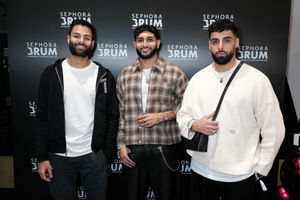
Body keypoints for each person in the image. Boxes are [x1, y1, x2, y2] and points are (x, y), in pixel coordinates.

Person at [177, 19, 285, 200]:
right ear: (209, 44)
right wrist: (194, 124)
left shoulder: (257, 80)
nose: (220, 46)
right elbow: (182, 115)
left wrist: (260, 168)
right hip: (200, 170)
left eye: (227, 40)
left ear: (236, 42)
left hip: (240, 175)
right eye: (215, 41)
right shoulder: (198, 79)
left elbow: (274, 129)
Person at [36, 19, 119, 200]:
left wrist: (105, 153)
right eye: (77, 36)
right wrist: (42, 157)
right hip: (59, 157)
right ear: (68, 39)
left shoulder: (104, 75)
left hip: (94, 156)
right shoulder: (51, 73)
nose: (81, 41)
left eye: (86, 37)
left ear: (93, 43)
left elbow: (113, 117)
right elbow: (42, 117)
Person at [116, 24, 189, 200]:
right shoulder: (125, 74)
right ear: (135, 44)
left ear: (158, 43)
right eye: (140, 40)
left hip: (164, 148)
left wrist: (162, 116)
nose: (145, 44)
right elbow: (121, 113)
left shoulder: (174, 73)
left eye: (149, 39)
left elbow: (187, 106)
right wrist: (121, 145)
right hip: (132, 149)